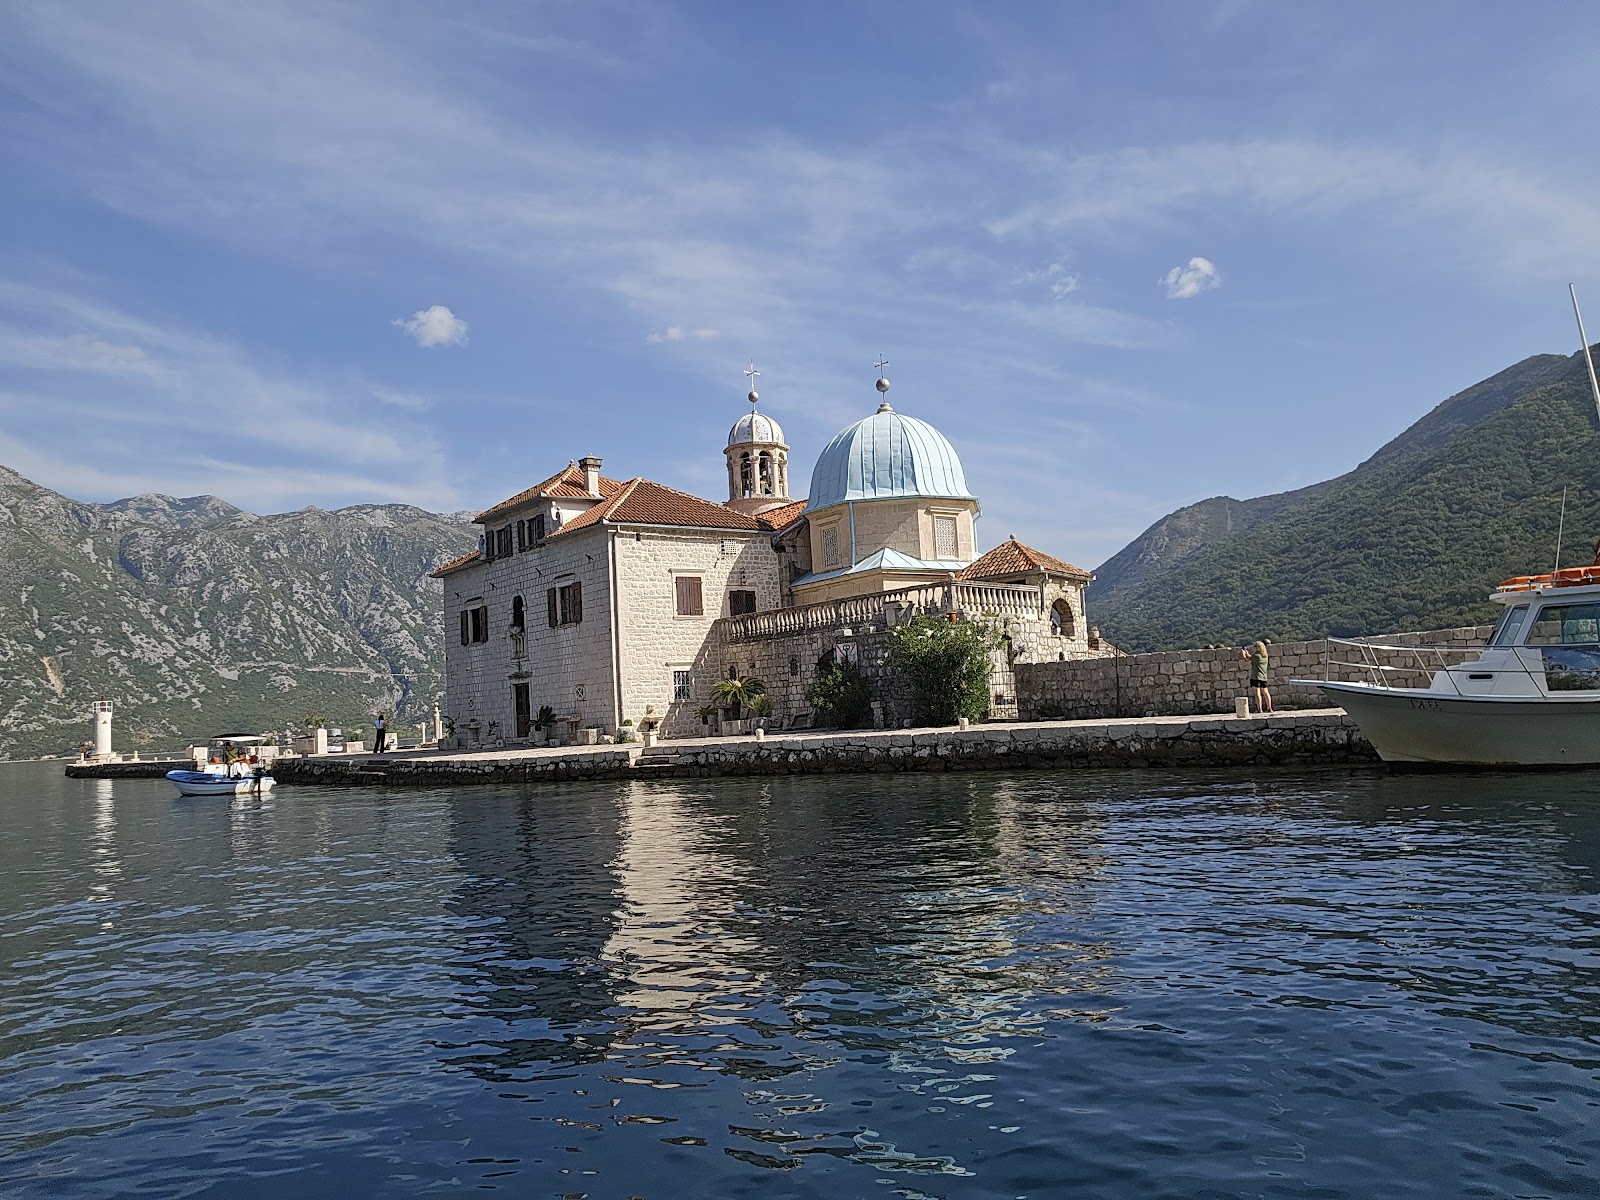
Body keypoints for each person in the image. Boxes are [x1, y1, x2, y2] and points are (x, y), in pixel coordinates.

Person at [1241, 639, 1273, 713]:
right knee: (1266, 692)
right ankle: (1269, 708)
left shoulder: (1256, 656)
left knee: (1257, 693)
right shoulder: (1265, 656)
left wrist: (1243, 653)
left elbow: (1247, 659)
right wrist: (1247, 653)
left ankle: (1260, 709)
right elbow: (1252, 657)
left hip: (1256, 676)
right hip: (1264, 676)